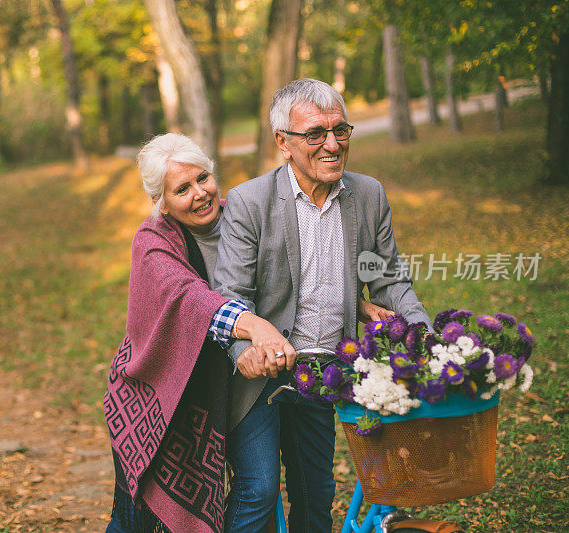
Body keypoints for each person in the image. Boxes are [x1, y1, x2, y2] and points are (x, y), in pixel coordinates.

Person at [103, 132, 389, 533]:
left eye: (202, 178)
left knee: (286, 487)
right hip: (166, 388)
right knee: (138, 515)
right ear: (160, 202)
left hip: (256, 375)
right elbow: (189, 297)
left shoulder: (243, 213)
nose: (199, 194)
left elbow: (295, 273)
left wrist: (353, 303)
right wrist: (253, 325)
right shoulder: (153, 242)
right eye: (181, 189)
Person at [213, 78, 433, 532]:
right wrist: (248, 351)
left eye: (340, 130)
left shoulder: (368, 196)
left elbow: (387, 279)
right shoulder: (248, 202)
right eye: (315, 134)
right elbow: (232, 296)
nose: (332, 144)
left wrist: (426, 338)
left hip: (326, 368)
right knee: (258, 491)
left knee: (316, 492)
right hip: (263, 374)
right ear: (283, 142)